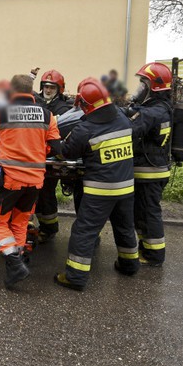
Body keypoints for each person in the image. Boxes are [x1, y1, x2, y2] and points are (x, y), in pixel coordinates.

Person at [54, 77, 139, 291]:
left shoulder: (85, 128)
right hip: (126, 187)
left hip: (100, 190)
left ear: (84, 104)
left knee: (85, 231)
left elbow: (65, 152)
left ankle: (75, 277)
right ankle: (129, 265)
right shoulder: (123, 119)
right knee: (125, 227)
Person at [0, 74, 61, 289]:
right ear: (32, 90)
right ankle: (16, 264)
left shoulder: (2, 112)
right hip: (35, 182)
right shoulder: (47, 115)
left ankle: (15, 263)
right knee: (19, 222)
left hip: (10, 180)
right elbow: (56, 148)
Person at [128, 62, 173, 267]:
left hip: (148, 172)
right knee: (144, 212)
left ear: (152, 86)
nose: (139, 87)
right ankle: (146, 248)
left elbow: (129, 131)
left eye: (143, 83)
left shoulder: (150, 113)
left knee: (148, 213)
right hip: (154, 169)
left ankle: (154, 255)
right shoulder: (161, 108)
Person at [34, 70, 73, 243]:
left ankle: (49, 229)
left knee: (46, 193)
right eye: (46, 86)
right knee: (37, 194)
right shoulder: (36, 101)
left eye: (52, 87)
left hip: (50, 157)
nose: (48, 90)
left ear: (59, 89)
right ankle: (43, 226)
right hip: (36, 155)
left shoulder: (62, 108)